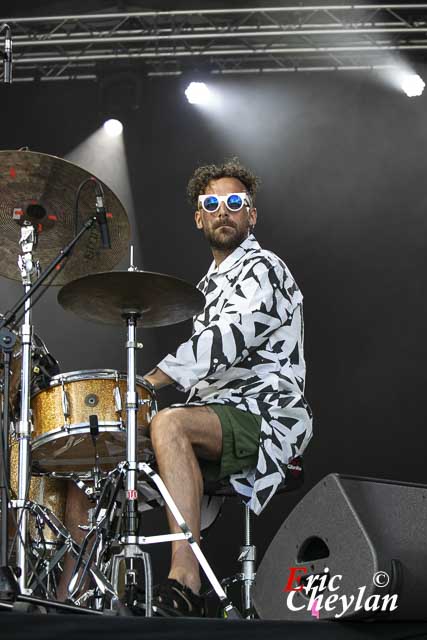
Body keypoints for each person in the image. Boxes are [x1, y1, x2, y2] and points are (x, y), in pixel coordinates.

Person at [143, 158, 313, 616]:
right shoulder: (207, 286)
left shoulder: (263, 268)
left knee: (170, 423)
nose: (224, 211)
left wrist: (152, 380)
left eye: (235, 202)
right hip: (219, 414)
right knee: (97, 449)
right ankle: (65, 596)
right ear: (199, 217)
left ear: (251, 215)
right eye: (212, 203)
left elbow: (227, 339)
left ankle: (185, 581)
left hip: (265, 415)